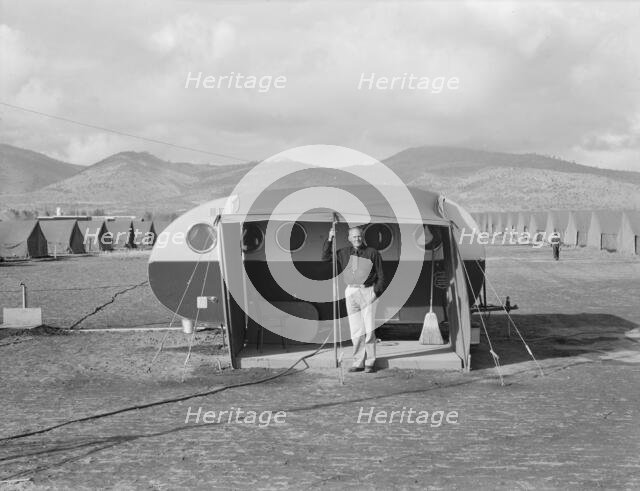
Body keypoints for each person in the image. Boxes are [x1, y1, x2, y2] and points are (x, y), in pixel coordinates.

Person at [322, 225, 385, 373]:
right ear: (349, 238)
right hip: (351, 292)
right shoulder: (343, 253)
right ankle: (358, 362)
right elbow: (325, 257)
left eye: (359, 236)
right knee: (356, 330)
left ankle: (370, 362)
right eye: (354, 236)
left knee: (369, 330)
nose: (357, 238)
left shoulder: (372, 253)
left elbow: (381, 276)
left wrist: (375, 293)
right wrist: (330, 238)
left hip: (367, 291)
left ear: (362, 237)